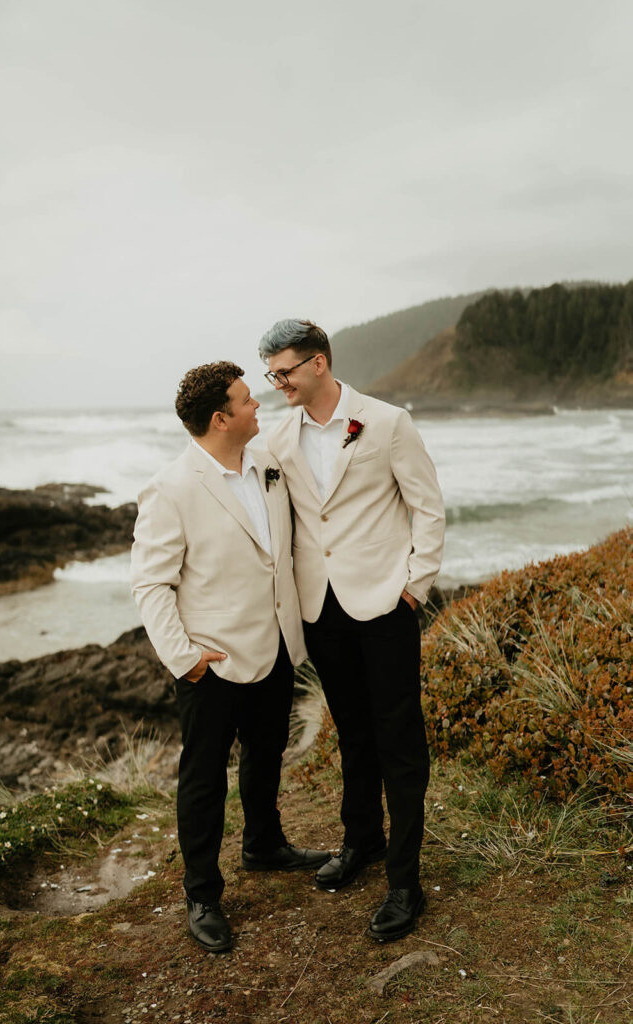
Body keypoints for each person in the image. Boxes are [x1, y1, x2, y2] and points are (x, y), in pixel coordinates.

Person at [130, 361, 329, 953]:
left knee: (266, 755)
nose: (258, 406)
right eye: (246, 401)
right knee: (204, 779)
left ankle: (264, 845)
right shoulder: (171, 487)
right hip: (212, 663)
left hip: (275, 646)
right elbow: (151, 584)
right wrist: (184, 658)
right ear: (220, 419)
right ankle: (202, 894)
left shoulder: (267, 462)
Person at [259, 320, 445, 942]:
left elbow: (427, 506)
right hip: (322, 609)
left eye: (282, 371)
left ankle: (404, 880)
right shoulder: (279, 439)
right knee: (353, 732)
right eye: (269, 374)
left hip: (386, 604)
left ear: (318, 364)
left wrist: (415, 586)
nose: (275, 382)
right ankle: (361, 838)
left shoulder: (388, 422)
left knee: (398, 739)